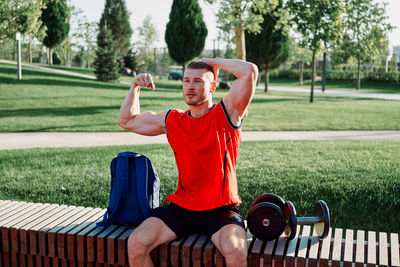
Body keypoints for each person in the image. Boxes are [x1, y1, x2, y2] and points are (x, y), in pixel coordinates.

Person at [118, 57, 258, 267]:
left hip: (221, 209)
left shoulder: (228, 112)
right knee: (136, 243)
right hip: (182, 207)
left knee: (236, 252)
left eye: (198, 81)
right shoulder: (173, 120)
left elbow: (249, 71)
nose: (190, 87)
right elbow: (126, 120)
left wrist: (212, 61)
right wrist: (135, 86)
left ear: (212, 86)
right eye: (186, 81)